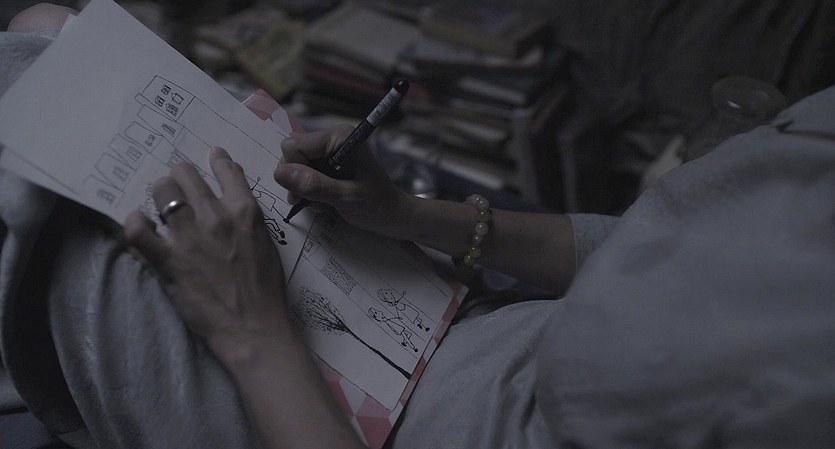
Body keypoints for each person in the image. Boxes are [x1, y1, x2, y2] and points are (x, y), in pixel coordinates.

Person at [2, 3, 835, 449]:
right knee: (53, 34)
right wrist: (408, 215)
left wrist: (250, 326)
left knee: (27, 73)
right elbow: (655, 238)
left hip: (336, 411)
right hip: (459, 322)